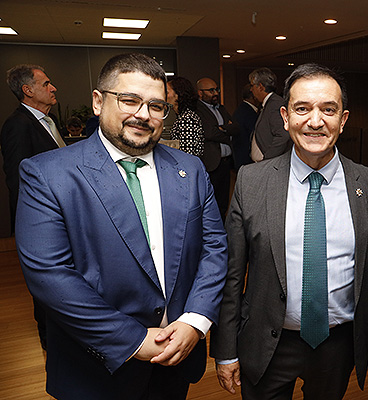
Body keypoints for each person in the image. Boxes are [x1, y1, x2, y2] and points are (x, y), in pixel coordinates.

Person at [16, 53, 228, 400]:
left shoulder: (189, 169)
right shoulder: (48, 174)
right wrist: (132, 340)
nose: (143, 115)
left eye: (156, 106)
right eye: (129, 100)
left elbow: (214, 248)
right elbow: (49, 274)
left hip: (177, 357)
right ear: (98, 102)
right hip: (96, 368)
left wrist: (195, 320)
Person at [211, 63, 368, 399]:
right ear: (286, 117)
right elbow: (231, 275)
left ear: (343, 120)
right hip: (267, 341)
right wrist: (225, 348)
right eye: (302, 109)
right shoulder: (252, 182)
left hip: (338, 344)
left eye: (328, 110)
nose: (315, 121)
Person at [1, 64, 64, 235]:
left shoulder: (51, 120)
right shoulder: (17, 125)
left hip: (61, 209)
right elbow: (17, 178)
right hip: (40, 218)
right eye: (46, 84)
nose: (53, 88)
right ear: (28, 90)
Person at [196, 77, 238, 220]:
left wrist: (222, 128)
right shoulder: (197, 109)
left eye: (217, 89)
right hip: (211, 163)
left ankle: (223, 234)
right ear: (200, 93)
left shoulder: (221, 108)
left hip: (225, 163)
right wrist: (226, 132)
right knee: (210, 204)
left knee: (224, 202)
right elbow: (209, 132)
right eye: (211, 90)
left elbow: (236, 127)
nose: (215, 93)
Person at [249, 67, 291, 161]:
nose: (251, 90)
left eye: (252, 86)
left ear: (260, 87)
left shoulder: (275, 104)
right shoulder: (268, 103)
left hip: (271, 164)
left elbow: (283, 135)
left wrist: (268, 159)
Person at [167, 76, 204, 158]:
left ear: (177, 95)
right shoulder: (183, 116)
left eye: (167, 92)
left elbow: (187, 153)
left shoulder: (187, 119)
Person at [231, 84, 259, 170]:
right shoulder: (248, 113)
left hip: (241, 157)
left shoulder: (241, 109)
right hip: (247, 159)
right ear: (253, 96)